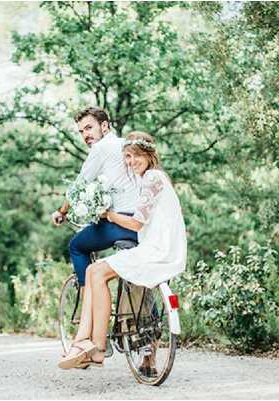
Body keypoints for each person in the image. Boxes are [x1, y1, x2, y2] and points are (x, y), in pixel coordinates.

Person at [58, 131, 187, 370]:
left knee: (95, 272)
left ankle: (96, 347)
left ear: (149, 154)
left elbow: (136, 223)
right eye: (127, 156)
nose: (131, 161)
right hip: (161, 248)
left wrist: (108, 215)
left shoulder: (153, 178)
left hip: (156, 251)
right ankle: (93, 345)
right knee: (96, 271)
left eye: (136, 155)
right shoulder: (155, 178)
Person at [51, 107, 140, 290]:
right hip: (141, 223)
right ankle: (149, 315)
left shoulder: (101, 148)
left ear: (105, 126)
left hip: (120, 224)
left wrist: (62, 211)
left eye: (89, 128)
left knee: (76, 246)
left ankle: (88, 300)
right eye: (82, 131)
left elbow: (79, 186)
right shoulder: (127, 145)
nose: (85, 135)